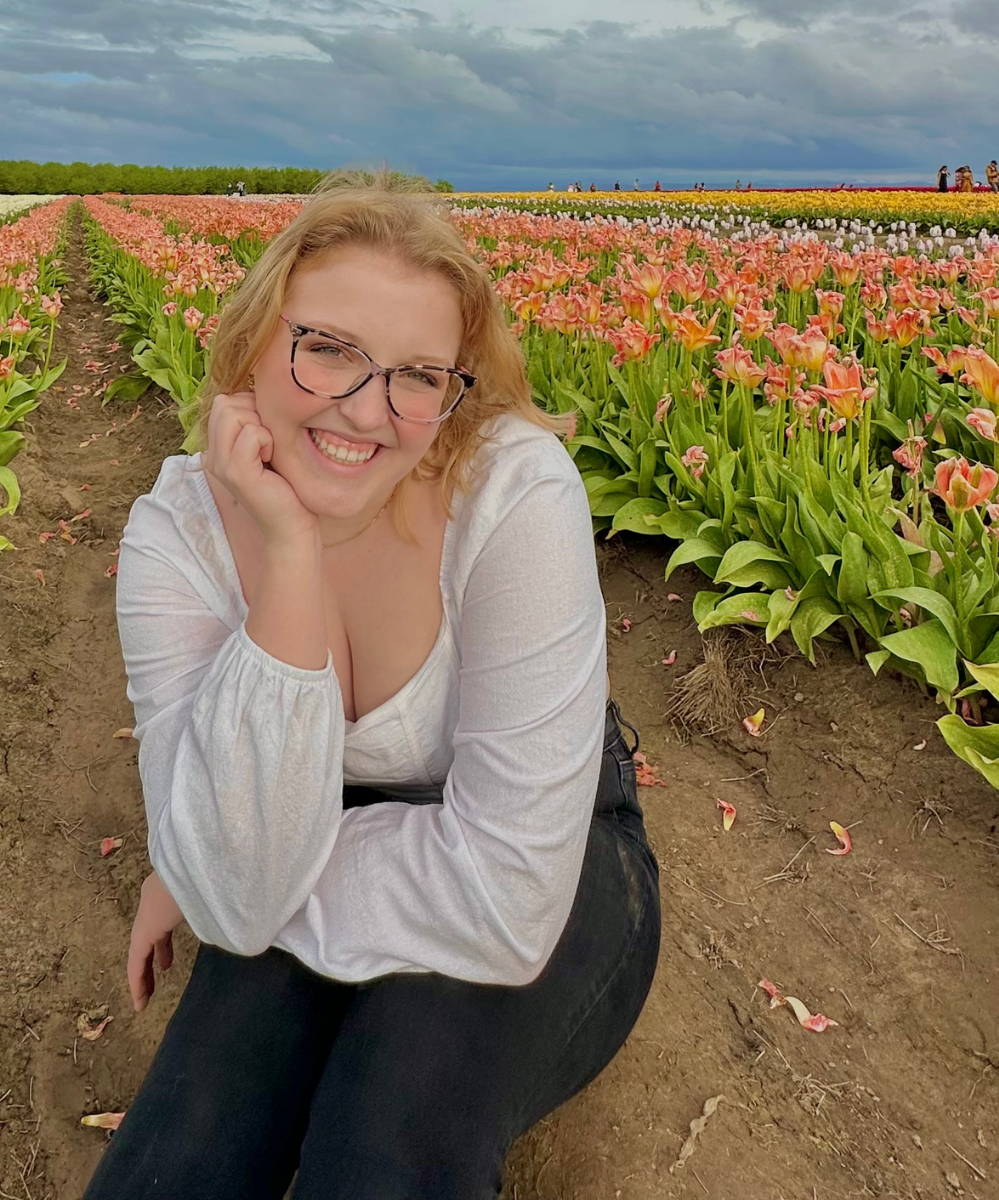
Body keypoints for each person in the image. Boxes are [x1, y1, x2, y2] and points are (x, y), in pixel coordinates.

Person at [87, 172, 661, 1200]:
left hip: (559, 858)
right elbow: (233, 887)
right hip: (327, 821)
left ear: (451, 394)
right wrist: (291, 562)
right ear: (253, 340)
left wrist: (211, 873)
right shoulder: (177, 538)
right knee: (184, 1149)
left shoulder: (512, 493)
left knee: (388, 1139)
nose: (369, 409)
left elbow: (503, 895)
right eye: (329, 350)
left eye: (417, 374)